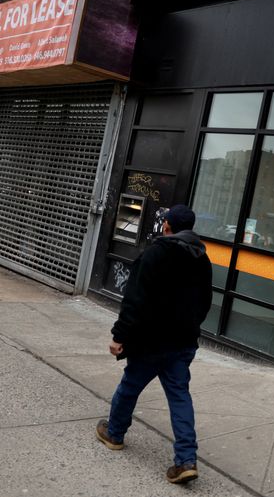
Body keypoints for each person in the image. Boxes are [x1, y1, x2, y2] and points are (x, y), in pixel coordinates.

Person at [95, 204, 212, 484]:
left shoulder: (155, 252)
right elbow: (205, 303)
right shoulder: (202, 259)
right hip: (182, 342)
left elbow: (135, 298)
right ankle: (185, 460)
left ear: (167, 226)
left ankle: (114, 433)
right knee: (179, 397)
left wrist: (119, 335)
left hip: (150, 341)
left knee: (130, 387)